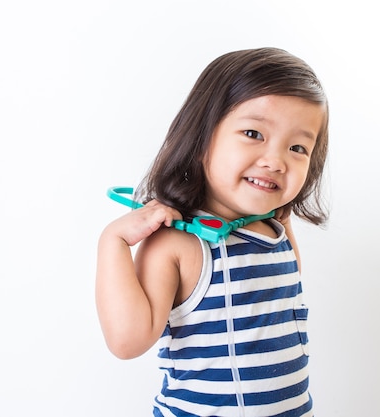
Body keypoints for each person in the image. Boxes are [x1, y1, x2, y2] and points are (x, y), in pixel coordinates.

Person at [96, 47, 329, 417]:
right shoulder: (178, 244)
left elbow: (285, 287)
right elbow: (127, 342)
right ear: (201, 138)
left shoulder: (274, 229)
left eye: (298, 147)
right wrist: (114, 242)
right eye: (254, 133)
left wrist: (281, 217)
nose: (276, 160)